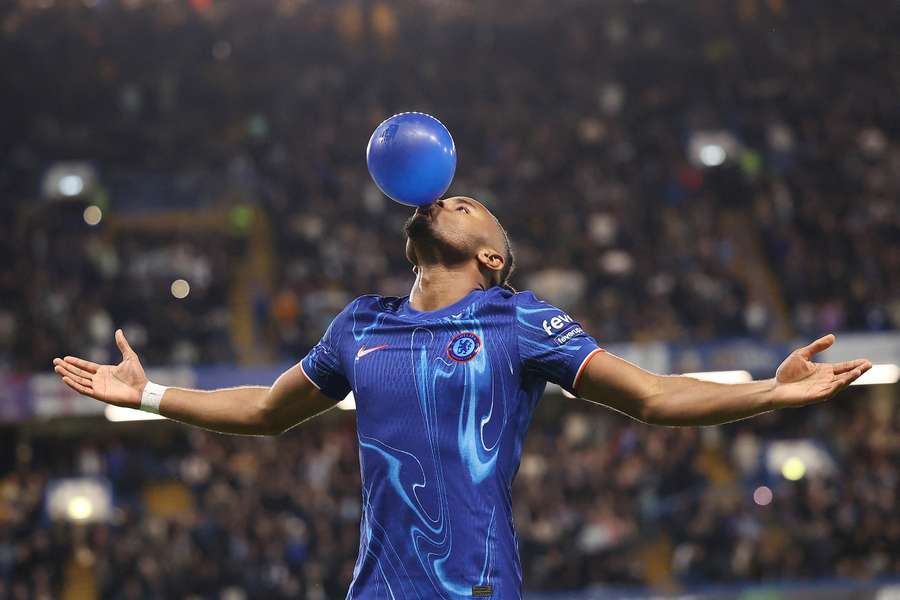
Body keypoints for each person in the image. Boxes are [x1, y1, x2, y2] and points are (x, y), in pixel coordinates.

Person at [53, 196, 872, 599]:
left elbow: (652, 396)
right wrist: (150, 393)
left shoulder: (519, 320)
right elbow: (266, 411)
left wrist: (770, 390)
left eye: (467, 203)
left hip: (472, 587)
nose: (445, 196)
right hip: (374, 588)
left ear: (490, 256)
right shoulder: (358, 324)